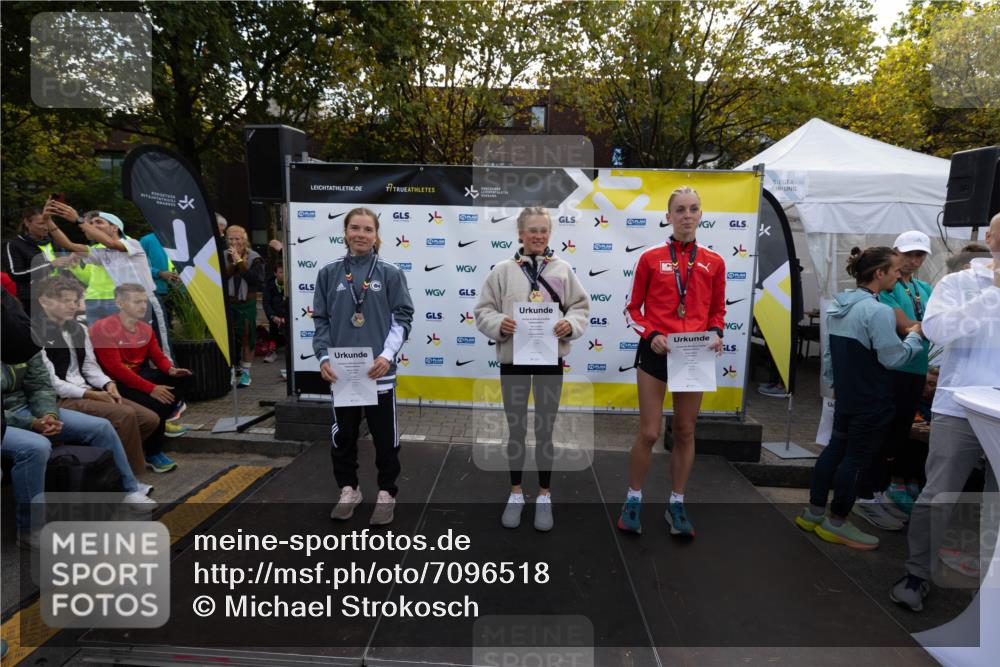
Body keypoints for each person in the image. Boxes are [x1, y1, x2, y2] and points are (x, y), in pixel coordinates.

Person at [891, 212, 1000, 612]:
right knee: (940, 492)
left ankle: (991, 583)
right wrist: (992, 295)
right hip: (959, 405)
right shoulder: (957, 284)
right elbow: (936, 331)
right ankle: (917, 574)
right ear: (989, 236)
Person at [796, 247, 923, 551]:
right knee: (856, 459)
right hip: (872, 399)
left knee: (835, 450)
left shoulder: (840, 305)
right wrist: (916, 335)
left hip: (848, 395)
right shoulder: (877, 311)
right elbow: (893, 357)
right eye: (894, 270)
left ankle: (813, 514)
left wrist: (831, 384)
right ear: (879, 273)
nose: (898, 274)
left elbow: (828, 355)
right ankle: (837, 522)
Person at [618, 186, 726, 537]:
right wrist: (651, 335)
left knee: (684, 431)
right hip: (656, 350)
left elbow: (718, 310)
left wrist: (715, 332)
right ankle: (633, 498)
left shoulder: (714, 261)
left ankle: (676, 503)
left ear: (701, 214)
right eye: (679, 209)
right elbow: (632, 309)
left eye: (693, 208)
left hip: (693, 353)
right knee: (649, 432)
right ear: (668, 216)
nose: (687, 215)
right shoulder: (649, 257)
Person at [474, 207, 590, 531]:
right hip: (514, 363)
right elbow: (483, 310)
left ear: (549, 234)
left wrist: (570, 324)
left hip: (550, 361)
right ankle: (515, 493)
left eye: (543, 230)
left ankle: (543, 495)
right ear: (521, 234)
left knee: (544, 430)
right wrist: (500, 322)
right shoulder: (502, 270)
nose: (538, 235)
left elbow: (580, 307)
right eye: (532, 230)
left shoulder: (562, 270)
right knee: (515, 428)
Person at [313, 207, 414, 526]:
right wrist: (324, 358)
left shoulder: (390, 272)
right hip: (343, 374)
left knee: (386, 439)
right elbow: (321, 321)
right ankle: (349, 489)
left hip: (379, 373)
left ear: (376, 235)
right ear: (345, 232)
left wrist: (386, 356)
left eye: (367, 229)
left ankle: (386, 492)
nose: (360, 234)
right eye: (354, 228)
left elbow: (403, 317)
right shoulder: (329, 272)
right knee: (343, 437)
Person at [2, 351, 156, 546]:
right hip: (7, 420)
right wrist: (31, 423)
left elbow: (40, 385)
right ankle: (30, 529)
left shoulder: (19, 340)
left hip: (28, 409)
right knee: (36, 447)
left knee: (101, 427)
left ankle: (128, 489)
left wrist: (49, 415)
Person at [35, 275, 160, 475]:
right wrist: (91, 395)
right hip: (59, 398)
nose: (72, 306)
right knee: (125, 415)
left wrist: (108, 384)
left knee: (149, 419)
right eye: (65, 301)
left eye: (75, 301)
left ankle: (110, 466)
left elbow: (89, 367)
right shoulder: (35, 332)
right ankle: (132, 478)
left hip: (87, 390)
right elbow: (51, 382)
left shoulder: (80, 329)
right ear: (43, 301)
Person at [852, 231, 934, 528]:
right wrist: (938, 326)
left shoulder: (924, 287)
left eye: (920, 255)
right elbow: (905, 326)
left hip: (914, 370)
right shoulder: (886, 285)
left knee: (897, 437)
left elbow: (932, 323)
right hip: (892, 369)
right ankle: (865, 496)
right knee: (880, 434)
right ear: (895, 252)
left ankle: (878, 491)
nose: (913, 261)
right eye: (908, 254)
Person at [43, 201, 172, 357]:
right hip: (125, 307)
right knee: (134, 350)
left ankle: (172, 376)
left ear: (115, 227)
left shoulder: (132, 243)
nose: (92, 225)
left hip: (147, 301)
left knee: (161, 348)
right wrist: (48, 221)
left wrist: (79, 220)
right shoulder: (101, 253)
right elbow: (68, 244)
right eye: (91, 223)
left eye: (99, 222)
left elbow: (111, 243)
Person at [90, 283, 194, 472]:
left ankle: (162, 421)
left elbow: (158, 356)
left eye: (144, 302)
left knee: (184, 379)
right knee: (157, 404)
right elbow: (115, 369)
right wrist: (151, 389)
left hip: (136, 375)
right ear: (120, 303)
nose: (143, 306)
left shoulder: (145, 328)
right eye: (136, 302)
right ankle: (153, 452)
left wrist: (170, 370)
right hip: (113, 383)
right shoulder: (103, 328)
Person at [1, 204, 81, 315]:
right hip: (33, 299)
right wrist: (50, 265)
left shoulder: (55, 241)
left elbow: (62, 269)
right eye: (41, 223)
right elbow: (16, 274)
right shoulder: (14, 245)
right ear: (27, 223)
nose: (46, 227)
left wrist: (71, 263)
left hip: (60, 298)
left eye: (48, 223)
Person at [223, 225, 265, 387]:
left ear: (245, 240)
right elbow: (222, 277)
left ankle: (246, 373)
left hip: (247, 303)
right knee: (229, 338)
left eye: (238, 238)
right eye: (231, 239)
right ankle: (231, 371)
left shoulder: (255, 257)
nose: (234, 242)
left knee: (248, 336)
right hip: (228, 303)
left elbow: (254, 279)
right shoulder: (221, 256)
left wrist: (240, 261)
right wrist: (233, 262)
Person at [140, 231, 181, 342]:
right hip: (159, 289)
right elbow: (138, 265)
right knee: (163, 325)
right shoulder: (147, 240)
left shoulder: (180, 237)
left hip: (181, 290)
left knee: (187, 324)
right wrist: (159, 273)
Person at [262, 262, 289, 362]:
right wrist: (273, 316)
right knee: (275, 301)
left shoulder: (291, 283)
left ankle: (291, 350)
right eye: (281, 272)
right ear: (275, 273)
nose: (283, 274)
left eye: (285, 272)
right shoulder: (269, 285)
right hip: (275, 316)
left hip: (288, 316)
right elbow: (266, 303)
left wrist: (287, 317)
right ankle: (272, 350)